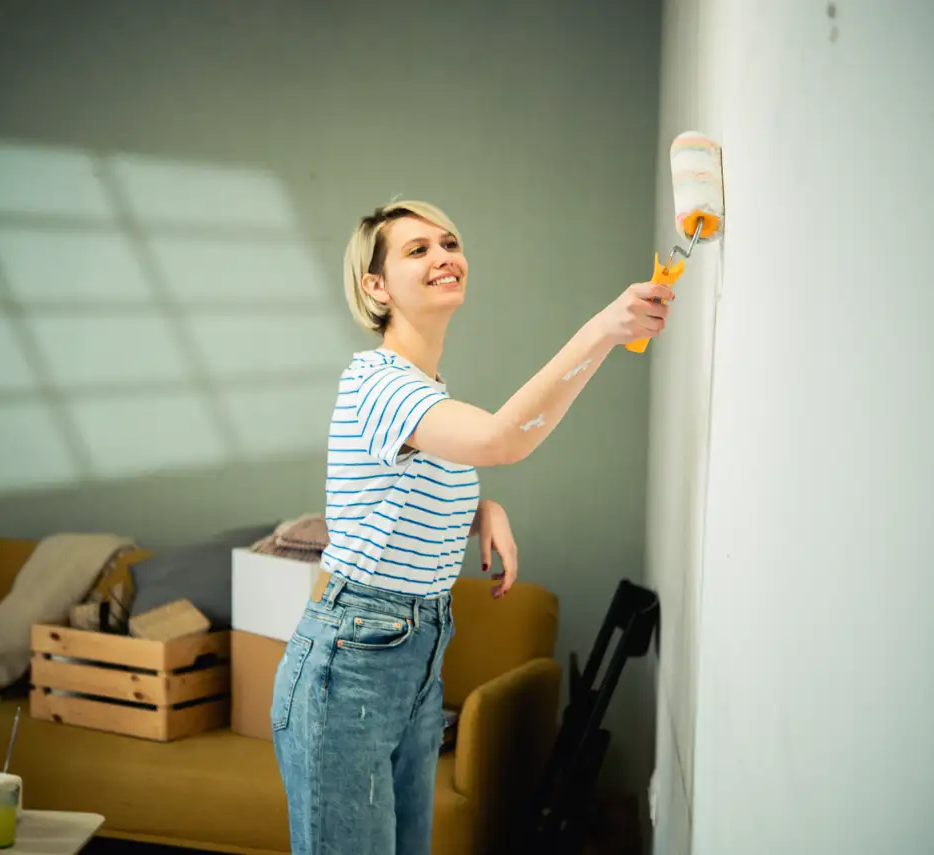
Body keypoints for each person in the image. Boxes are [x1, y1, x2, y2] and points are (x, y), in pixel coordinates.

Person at [270, 200, 673, 855]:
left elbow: (433, 469)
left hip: (415, 662)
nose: (442, 256)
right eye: (416, 249)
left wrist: (484, 509)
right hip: (350, 666)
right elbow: (497, 440)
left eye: (449, 242)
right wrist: (603, 329)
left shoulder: (426, 391)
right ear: (376, 286)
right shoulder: (377, 382)